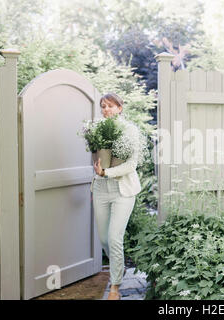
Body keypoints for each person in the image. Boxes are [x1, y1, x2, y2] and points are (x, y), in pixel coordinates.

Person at [91, 93, 143, 300]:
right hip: (101, 189)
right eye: (103, 106)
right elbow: (96, 163)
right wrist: (94, 183)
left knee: (114, 237)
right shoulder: (96, 129)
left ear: (120, 108)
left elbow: (132, 165)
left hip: (123, 190)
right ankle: (118, 268)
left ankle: (115, 287)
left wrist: (108, 173)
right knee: (104, 238)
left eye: (111, 106)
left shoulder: (130, 130)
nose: (106, 110)